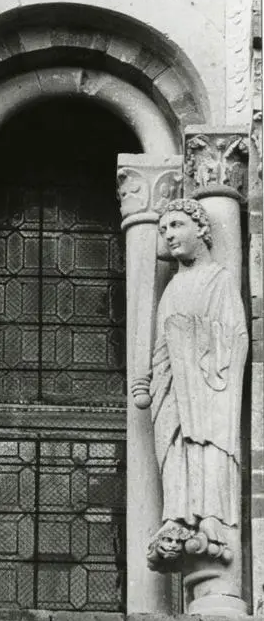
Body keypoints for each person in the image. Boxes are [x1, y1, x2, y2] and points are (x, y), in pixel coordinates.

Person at [132, 199, 248, 564]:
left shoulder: (220, 279)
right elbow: (160, 345)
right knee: (172, 447)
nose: (169, 235)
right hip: (170, 390)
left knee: (206, 445)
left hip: (206, 388)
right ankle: (177, 516)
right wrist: (149, 373)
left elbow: (236, 338)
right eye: (164, 230)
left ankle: (210, 519)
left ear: (202, 229)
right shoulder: (172, 287)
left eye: (177, 225)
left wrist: (191, 342)